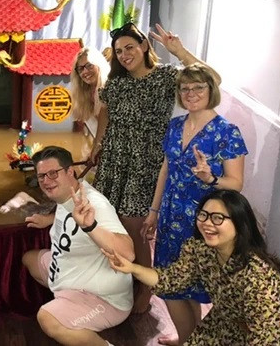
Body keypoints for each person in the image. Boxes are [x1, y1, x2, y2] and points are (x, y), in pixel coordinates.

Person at [90, 23, 221, 313]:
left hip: (145, 164)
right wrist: (96, 149)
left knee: (134, 228)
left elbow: (212, 80)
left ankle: (144, 289)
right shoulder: (116, 82)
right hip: (114, 160)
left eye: (130, 48)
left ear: (145, 47)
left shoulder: (165, 77)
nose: (125, 55)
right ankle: (115, 284)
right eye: (119, 51)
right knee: (109, 224)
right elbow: (105, 117)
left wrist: (179, 51)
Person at [105, 190, 280, 345]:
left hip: (269, 336)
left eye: (218, 218)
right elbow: (170, 279)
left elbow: (265, 337)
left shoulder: (261, 278)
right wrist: (132, 268)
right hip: (224, 324)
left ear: (240, 223)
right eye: (203, 215)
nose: (207, 223)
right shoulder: (201, 250)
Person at [142, 63, 247, 345]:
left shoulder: (227, 132)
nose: (191, 93)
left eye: (198, 87)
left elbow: (235, 183)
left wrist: (210, 177)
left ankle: (191, 340)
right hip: (170, 217)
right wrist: (153, 211)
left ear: (210, 90)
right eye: (185, 88)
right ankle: (190, 338)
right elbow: (165, 169)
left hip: (204, 223)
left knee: (191, 286)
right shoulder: (175, 126)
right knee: (173, 284)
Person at [13, 146, 134, 346]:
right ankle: (65, 299)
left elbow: (127, 253)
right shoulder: (66, 194)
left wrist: (90, 226)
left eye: (53, 173)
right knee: (29, 259)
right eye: (42, 175)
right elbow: (68, 210)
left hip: (104, 298)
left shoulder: (94, 205)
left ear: (70, 171)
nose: (46, 181)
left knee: (47, 319)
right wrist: (49, 219)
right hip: (68, 271)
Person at [70, 47, 110, 138]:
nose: (85, 72)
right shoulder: (85, 95)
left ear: (99, 64)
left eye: (89, 65)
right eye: (80, 69)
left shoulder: (111, 90)